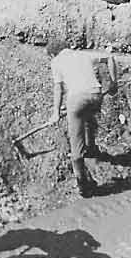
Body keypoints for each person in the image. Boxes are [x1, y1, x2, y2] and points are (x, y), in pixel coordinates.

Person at [47, 41, 118, 197]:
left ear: (53, 53)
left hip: (77, 100)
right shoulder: (83, 54)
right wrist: (114, 83)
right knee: (88, 116)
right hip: (96, 95)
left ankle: (84, 187)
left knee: (76, 150)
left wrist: (56, 113)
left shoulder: (56, 61)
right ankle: (91, 148)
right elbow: (110, 58)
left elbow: (58, 88)